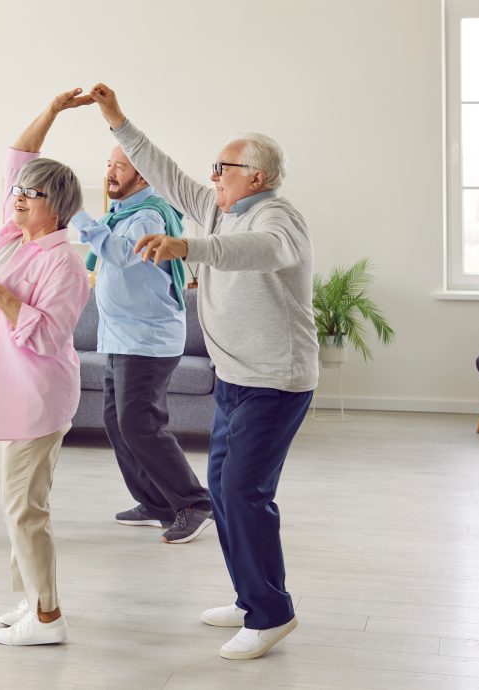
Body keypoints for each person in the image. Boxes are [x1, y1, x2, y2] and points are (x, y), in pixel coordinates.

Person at [88, 83, 317, 660]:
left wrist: (189, 248)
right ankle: (250, 599)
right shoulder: (218, 207)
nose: (212, 176)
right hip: (236, 379)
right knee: (220, 489)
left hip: (276, 380)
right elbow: (162, 171)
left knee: (243, 493)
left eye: (223, 167)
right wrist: (118, 120)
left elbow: (262, 252)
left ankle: (271, 614)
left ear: (256, 176)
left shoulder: (277, 218)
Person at [0, 89, 90, 646]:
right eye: (17, 190)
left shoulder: (63, 260)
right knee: (17, 505)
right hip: (9, 388)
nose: (16, 196)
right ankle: (31, 599)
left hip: (37, 393)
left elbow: (52, 333)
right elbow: (19, 153)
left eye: (31, 194)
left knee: (25, 510)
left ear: (56, 207)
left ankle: (47, 617)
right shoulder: (16, 233)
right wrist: (54, 112)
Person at [72, 142, 213, 544]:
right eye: (109, 165)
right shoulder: (122, 213)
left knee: (139, 424)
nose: (110, 173)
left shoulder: (150, 214)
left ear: (144, 175)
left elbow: (118, 254)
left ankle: (193, 503)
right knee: (118, 425)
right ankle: (155, 502)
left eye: (119, 167)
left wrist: (75, 215)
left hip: (147, 339)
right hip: (122, 336)